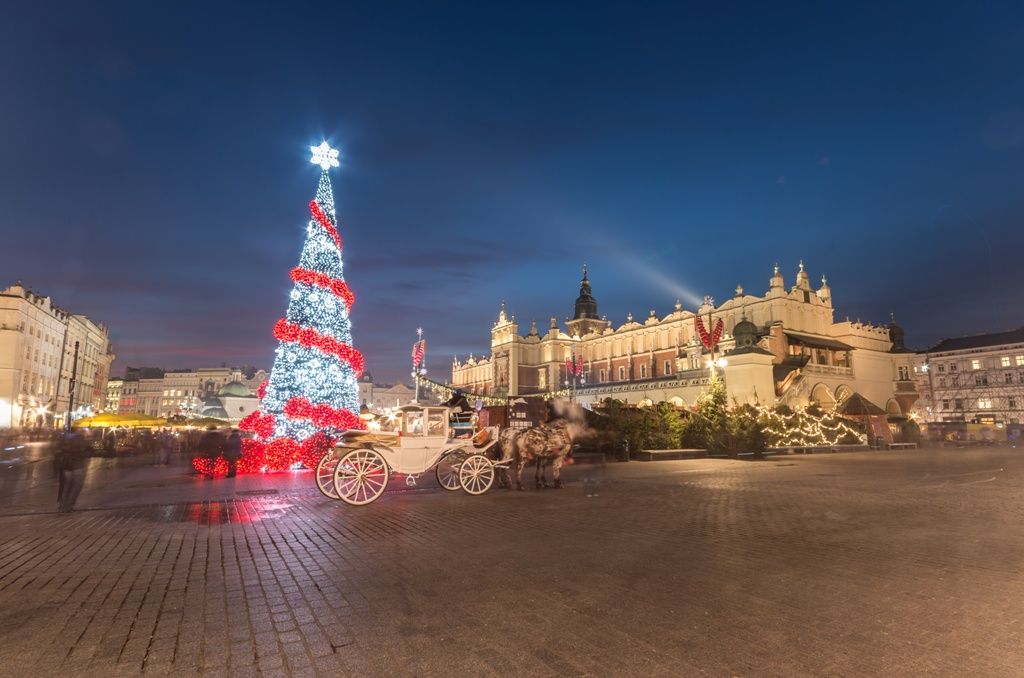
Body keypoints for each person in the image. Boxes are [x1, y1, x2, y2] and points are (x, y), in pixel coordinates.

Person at [56, 428, 91, 512]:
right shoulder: (82, 440)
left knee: (67, 485)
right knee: (77, 486)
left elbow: (58, 450)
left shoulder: (66, 440)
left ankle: (62, 505)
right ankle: (69, 505)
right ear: (82, 432)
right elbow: (86, 452)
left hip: (67, 466)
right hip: (78, 466)